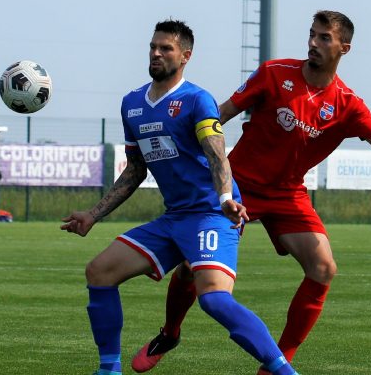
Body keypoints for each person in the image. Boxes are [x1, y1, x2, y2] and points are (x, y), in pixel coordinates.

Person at [133, 10, 371, 374]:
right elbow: (218, 115)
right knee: (192, 267)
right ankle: (170, 333)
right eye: (312, 35)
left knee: (324, 267)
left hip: (288, 195)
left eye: (324, 38)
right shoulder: (274, 73)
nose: (313, 43)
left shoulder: (347, 104)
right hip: (239, 185)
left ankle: (278, 363)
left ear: (344, 48)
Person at [61, 20, 299, 375]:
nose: (156, 53)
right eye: (153, 47)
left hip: (211, 214)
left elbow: (217, 154)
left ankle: (283, 371)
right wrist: (93, 214)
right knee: (99, 272)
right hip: (174, 219)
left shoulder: (196, 100)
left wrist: (224, 199)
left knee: (214, 299)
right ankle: (109, 369)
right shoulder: (132, 105)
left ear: (185, 56)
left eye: (166, 48)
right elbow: (135, 170)